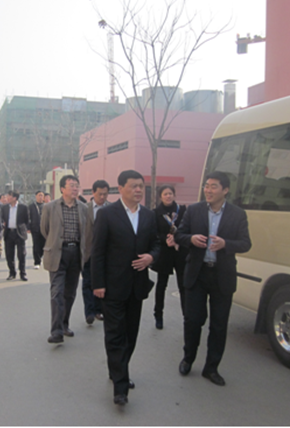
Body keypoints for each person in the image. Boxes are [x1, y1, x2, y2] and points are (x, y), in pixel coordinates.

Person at [174, 171, 251, 387]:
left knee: (219, 325)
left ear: (225, 190)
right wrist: (191, 239)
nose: (208, 190)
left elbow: (246, 243)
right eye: (206, 186)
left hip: (222, 275)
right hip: (197, 274)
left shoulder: (237, 214)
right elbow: (179, 234)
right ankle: (188, 358)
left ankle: (211, 368)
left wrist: (226, 244)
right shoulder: (194, 210)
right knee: (192, 320)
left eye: (213, 186)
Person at [91, 170, 160, 406]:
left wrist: (151, 257)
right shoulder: (107, 214)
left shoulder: (148, 215)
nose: (138, 190)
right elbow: (97, 251)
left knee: (131, 334)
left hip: (137, 286)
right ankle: (120, 387)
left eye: (141, 186)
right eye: (133, 186)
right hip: (112, 286)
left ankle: (118, 369)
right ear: (120, 188)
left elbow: (157, 244)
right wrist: (98, 284)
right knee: (115, 335)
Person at [40, 175, 87, 343]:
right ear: (62, 189)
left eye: (77, 185)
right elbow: (45, 230)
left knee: (70, 293)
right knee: (57, 292)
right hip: (57, 253)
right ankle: (57, 332)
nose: (75, 188)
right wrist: (56, 243)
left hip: (76, 254)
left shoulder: (83, 208)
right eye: (71, 185)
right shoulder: (50, 207)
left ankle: (64, 324)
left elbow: (87, 232)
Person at [151, 185, 188, 329]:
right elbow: (154, 232)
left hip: (180, 252)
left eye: (170, 193)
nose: (168, 196)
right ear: (160, 196)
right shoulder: (156, 213)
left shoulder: (182, 210)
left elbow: (187, 228)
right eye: (165, 194)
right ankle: (158, 315)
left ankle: (187, 316)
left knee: (183, 285)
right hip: (164, 253)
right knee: (162, 285)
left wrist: (177, 238)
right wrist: (165, 239)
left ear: (174, 195)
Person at [82, 180, 109, 325]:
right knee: (87, 282)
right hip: (88, 252)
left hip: (105, 253)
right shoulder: (84, 208)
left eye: (105, 194)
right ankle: (89, 312)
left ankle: (99, 310)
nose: (102, 197)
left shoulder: (111, 209)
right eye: (100, 194)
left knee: (101, 282)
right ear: (93, 193)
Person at [1, 190, 29, 281]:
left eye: (10, 196)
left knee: (21, 255)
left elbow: (26, 220)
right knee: (9, 255)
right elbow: (2, 219)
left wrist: (24, 229)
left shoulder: (23, 207)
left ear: (15, 198)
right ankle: (12, 273)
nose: (7, 198)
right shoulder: (5, 208)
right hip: (9, 233)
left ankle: (22, 273)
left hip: (19, 233)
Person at [28, 190, 45, 269]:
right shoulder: (32, 206)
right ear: (36, 196)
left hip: (44, 229)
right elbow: (28, 217)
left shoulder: (46, 206)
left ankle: (40, 256)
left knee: (44, 245)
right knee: (36, 245)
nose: (40, 197)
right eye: (39, 195)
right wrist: (28, 227)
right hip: (35, 228)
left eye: (42, 195)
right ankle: (37, 262)